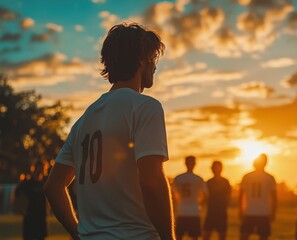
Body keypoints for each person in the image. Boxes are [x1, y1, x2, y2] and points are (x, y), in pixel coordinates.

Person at [43, 23, 175, 240]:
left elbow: (53, 187)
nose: (155, 66)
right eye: (153, 58)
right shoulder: (144, 107)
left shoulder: (83, 121)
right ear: (141, 58)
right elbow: (151, 180)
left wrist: (78, 233)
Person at [239, 153, 277, 240]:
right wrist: (241, 210)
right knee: (245, 235)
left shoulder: (248, 176)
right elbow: (241, 195)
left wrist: (273, 212)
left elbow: (274, 197)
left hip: (261, 212)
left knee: (250, 235)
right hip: (253, 212)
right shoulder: (269, 177)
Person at [172, 155, 207, 240]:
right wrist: (198, 204)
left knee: (178, 236)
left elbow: (173, 194)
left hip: (181, 211)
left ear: (185, 163)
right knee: (194, 237)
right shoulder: (198, 179)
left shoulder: (178, 178)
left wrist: (179, 202)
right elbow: (205, 195)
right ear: (195, 164)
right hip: (194, 212)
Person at [14, 161, 48, 240]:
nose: (40, 170)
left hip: (41, 218)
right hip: (30, 218)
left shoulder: (44, 183)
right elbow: (16, 194)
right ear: (34, 168)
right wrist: (20, 209)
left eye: (42, 168)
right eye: (39, 168)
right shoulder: (28, 183)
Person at [203, 160, 232, 240]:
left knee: (222, 236)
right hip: (211, 213)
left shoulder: (225, 182)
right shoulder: (208, 182)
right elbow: (205, 197)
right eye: (214, 168)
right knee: (206, 235)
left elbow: (228, 197)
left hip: (221, 213)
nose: (215, 169)